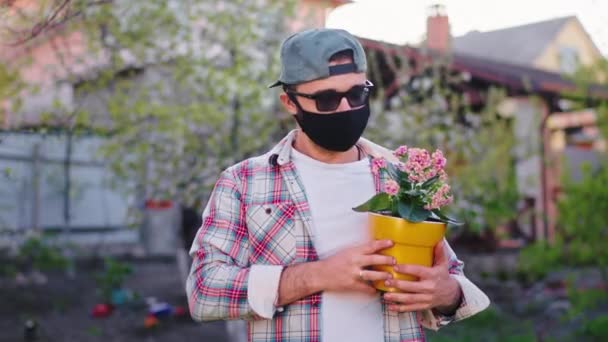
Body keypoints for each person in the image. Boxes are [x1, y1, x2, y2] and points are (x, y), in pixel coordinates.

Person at [186, 28, 490, 342]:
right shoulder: (244, 182)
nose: (346, 109)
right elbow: (204, 291)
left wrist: (446, 293)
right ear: (290, 102)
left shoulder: (400, 177)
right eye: (327, 99)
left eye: (356, 94)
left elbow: (451, 279)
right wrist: (319, 275)